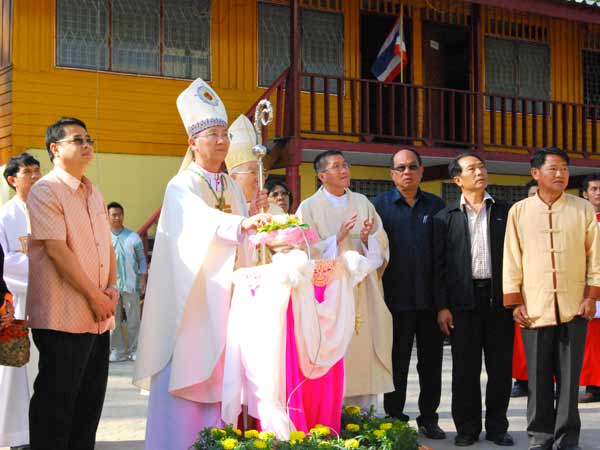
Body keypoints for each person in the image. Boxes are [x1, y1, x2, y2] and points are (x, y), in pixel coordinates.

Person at [133, 78, 271, 450]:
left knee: (223, 376)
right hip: (191, 301)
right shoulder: (182, 185)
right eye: (213, 134)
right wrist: (240, 225)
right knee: (188, 372)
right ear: (193, 142)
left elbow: (242, 237)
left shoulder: (230, 184)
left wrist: (255, 223)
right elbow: (198, 221)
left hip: (226, 298)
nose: (221, 141)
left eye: (225, 134)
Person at [26, 117, 118, 450]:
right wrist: (95, 296)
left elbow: (106, 244)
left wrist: (112, 288)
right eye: (78, 140)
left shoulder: (93, 191)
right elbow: (57, 250)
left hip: (98, 316)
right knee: (56, 405)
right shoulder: (46, 190)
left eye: (89, 139)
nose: (87, 145)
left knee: (88, 406)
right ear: (55, 148)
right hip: (62, 316)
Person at [504, 148, 600, 450]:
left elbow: (595, 257)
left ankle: (567, 440)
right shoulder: (519, 211)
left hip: (575, 307)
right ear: (536, 173)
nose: (561, 174)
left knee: (569, 382)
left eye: (565, 168)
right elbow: (511, 258)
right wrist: (515, 301)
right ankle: (540, 438)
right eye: (553, 168)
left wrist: (591, 296)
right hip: (534, 308)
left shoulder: (582, 209)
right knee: (538, 380)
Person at [296, 150, 394, 409]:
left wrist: (367, 239)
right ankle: (329, 412)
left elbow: (381, 238)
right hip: (330, 294)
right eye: (336, 166)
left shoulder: (362, 202)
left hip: (363, 288)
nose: (344, 170)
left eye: (345, 165)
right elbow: (303, 250)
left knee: (363, 350)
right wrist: (335, 239)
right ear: (322, 175)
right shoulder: (308, 208)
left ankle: (364, 415)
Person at [434, 153, 514, 447]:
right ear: (458, 179)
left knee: (500, 368)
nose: (479, 172)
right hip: (462, 302)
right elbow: (438, 266)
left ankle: (497, 427)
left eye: (481, 167)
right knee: (465, 370)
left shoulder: (505, 212)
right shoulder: (446, 217)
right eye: (472, 169)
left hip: (499, 300)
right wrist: (442, 306)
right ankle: (467, 428)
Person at [371, 148, 446, 439]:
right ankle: (395, 417)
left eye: (412, 166)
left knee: (431, 365)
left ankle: (429, 418)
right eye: (400, 168)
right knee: (396, 363)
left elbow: (444, 256)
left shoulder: (437, 206)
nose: (407, 172)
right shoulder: (378, 207)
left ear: (422, 170)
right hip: (394, 301)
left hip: (430, 301)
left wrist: (444, 304)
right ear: (392, 173)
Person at [0, 153, 42, 450]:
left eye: (38, 170)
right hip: (17, 302)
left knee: (47, 368)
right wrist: (39, 266)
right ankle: (17, 436)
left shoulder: (48, 210)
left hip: (49, 301)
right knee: (16, 369)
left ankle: (45, 430)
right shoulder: (5, 216)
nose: (36, 176)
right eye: (29, 172)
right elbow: (3, 263)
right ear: (13, 179)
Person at [106, 201, 147, 362]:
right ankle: (118, 350)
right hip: (111, 287)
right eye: (114, 215)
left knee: (133, 321)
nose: (117, 218)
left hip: (131, 285)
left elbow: (142, 260)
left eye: (120, 215)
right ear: (108, 217)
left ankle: (135, 350)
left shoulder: (134, 237)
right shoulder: (103, 238)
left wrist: (142, 280)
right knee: (113, 322)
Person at [510, 180, 539, 399]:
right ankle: (522, 380)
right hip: (524, 290)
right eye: (532, 194)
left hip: (551, 291)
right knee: (521, 341)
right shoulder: (517, 220)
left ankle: (549, 382)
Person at [225, 114, 284, 215]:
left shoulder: (276, 211)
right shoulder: (223, 209)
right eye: (252, 171)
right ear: (233, 178)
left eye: (262, 171)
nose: (259, 178)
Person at [579, 174, 600, 403]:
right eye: (594, 189)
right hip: (587, 286)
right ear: (585, 194)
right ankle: (593, 386)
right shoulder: (579, 220)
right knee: (591, 341)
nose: (598, 192)